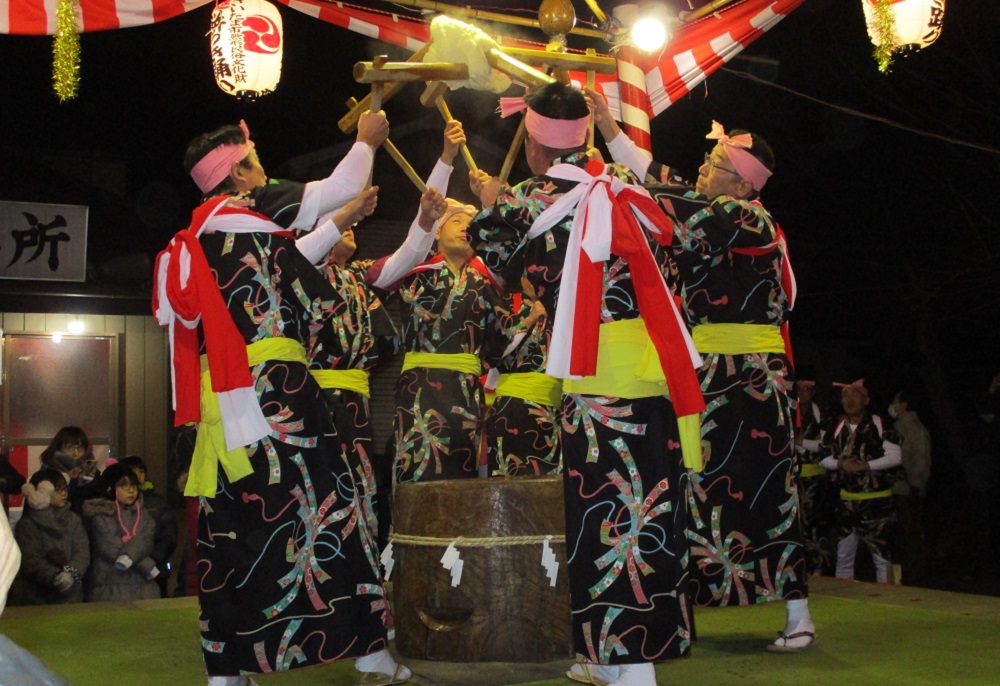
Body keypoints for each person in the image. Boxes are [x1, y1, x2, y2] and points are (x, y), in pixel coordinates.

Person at [153, 112, 409, 685]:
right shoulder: (252, 207)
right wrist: (366, 142)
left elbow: (299, 254)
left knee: (234, 522)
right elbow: (336, 188)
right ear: (240, 174)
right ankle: (367, 649)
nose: (263, 167)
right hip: (278, 393)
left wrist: (340, 218)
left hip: (223, 396)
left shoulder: (211, 230)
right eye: (255, 158)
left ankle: (226, 667)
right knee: (339, 506)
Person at [471, 82, 705, 686]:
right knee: (648, 512)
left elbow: (492, 255)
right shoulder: (630, 188)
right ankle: (630, 662)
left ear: (532, 144)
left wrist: (494, 200)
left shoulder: (526, 201)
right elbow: (695, 217)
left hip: (594, 380)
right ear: (588, 135)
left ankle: (626, 665)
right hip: (652, 378)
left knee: (602, 517)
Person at [589, 89, 813, 653]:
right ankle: (691, 609)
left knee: (767, 488)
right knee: (699, 488)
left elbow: (665, 197)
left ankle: (800, 614)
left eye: (713, 165)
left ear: (741, 183)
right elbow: (665, 183)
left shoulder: (747, 217)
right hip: (712, 371)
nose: (700, 170)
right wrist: (611, 131)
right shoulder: (719, 209)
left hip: (753, 377)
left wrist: (608, 179)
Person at [299, 122, 460, 548]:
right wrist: (346, 211)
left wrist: (429, 208)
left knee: (358, 495)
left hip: (356, 404)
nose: (346, 225)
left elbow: (409, 255)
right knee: (317, 492)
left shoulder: (357, 275)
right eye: (333, 221)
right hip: (312, 401)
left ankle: (358, 582)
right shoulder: (298, 270)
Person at [388, 179, 506, 484]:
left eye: (470, 225)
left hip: (466, 394)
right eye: (455, 221)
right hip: (420, 391)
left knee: (461, 473)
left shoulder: (484, 285)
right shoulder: (414, 275)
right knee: (418, 467)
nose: (464, 228)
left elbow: (504, 338)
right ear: (437, 232)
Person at [820, 379, 903, 583]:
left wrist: (865, 466)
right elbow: (823, 457)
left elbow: (896, 456)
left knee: (882, 558)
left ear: (866, 399)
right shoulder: (837, 426)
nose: (849, 400)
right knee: (844, 557)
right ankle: (844, 600)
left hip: (877, 503)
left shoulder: (879, 423)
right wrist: (841, 464)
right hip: (847, 503)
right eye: (845, 395)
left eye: (854, 394)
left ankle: (887, 603)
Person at [482, 278, 561, 476]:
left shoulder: (561, 304)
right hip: (515, 407)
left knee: (552, 488)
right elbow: (490, 353)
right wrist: (529, 319)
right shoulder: (506, 302)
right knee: (512, 481)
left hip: (556, 410)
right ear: (524, 277)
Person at [8, 469, 89, 605]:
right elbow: (32, 560)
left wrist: (70, 574)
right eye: (58, 490)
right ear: (41, 493)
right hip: (35, 597)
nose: (64, 493)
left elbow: (82, 553)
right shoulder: (27, 525)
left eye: (65, 488)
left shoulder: (74, 520)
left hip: (72, 595)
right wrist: (56, 576)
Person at [82, 463, 160, 602]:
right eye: (124, 486)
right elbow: (108, 546)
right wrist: (145, 564)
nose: (131, 491)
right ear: (111, 488)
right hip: (111, 581)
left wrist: (129, 557)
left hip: (143, 585)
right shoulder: (101, 513)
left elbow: (148, 540)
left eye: (134, 486)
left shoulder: (143, 513)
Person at [794, 368, 836, 576]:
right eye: (800, 389)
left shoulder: (822, 413)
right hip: (793, 481)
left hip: (816, 481)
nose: (803, 393)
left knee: (816, 525)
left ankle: (818, 569)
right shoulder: (788, 412)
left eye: (808, 389)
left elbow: (828, 444)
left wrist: (802, 443)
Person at [117, 455, 177, 597]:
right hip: (123, 570)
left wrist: (153, 559)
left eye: (141, 471)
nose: (138, 476)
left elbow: (168, 536)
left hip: (155, 569)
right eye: (133, 472)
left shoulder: (157, 503)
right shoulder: (114, 504)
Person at [888, 390, 931, 584]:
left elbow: (921, 461)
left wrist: (915, 485)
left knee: (911, 533)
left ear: (904, 404)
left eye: (895, 401)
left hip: (908, 491)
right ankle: (904, 573)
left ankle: (915, 574)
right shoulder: (899, 427)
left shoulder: (914, 429)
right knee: (902, 535)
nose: (892, 405)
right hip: (898, 489)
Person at [38, 426, 103, 512]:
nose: (76, 453)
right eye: (70, 447)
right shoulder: (49, 471)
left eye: (80, 448)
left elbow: (99, 496)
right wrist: (68, 479)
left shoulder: (90, 470)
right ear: (58, 447)